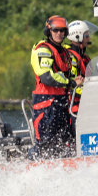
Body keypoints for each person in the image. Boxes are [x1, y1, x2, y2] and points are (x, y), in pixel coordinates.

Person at [29, 15, 76, 157]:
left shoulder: (65, 52)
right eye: (56, 30)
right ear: (49, 31)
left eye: (62, 31)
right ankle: (33, 164)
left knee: (63, 142)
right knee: (45, 142)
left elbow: (68, 74)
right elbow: (47, 77)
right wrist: (71, 82)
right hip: (46, 103)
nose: (59, 33)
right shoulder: (43, 49)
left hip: (61, 102)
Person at [65, 20, 98, 128]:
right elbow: (74, 82)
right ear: (77, 37)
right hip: (74, 104)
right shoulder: (69, 57)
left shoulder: (85, 58)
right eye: (86, 36)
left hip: (87, 103)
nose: (89, 38)